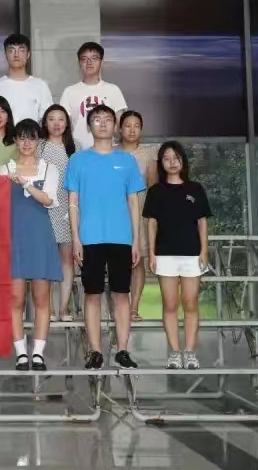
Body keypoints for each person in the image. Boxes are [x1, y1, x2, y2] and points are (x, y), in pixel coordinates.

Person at [66, 104, 145, 370]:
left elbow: (133, 202)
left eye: (108, 119)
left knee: (122, 294)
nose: (102, 123)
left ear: (115, 126)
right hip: (90, 238)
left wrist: (136, 240)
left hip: (121, 238)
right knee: (92, 294)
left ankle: (122, 350)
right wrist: (76, 238)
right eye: (97, 119)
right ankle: (95, 351)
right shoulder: (78, 160)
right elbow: (73, 202)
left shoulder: (127, 160)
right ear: (89, 126)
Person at [0, 119, 62, 372]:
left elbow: (48, 200)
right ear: (15, 140)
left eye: (31, 138)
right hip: (13, 236)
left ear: (38, 141)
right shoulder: (5, 169)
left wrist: (25, 183)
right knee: (15, 297)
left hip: (39, 236)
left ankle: (38, 353)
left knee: (41, 297)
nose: (26, 143)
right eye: (22, 138)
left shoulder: (49, 169)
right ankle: (21, 353)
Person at [144, 141, 211, 371]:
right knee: (170, 304)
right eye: (167, 158)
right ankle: (174, 352)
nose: (172, 162)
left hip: (192, 255)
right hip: (165, 256)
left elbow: (202, 222)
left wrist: (204, 251)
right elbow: (151, 223)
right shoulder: (155, 192)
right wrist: (151, 254)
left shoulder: (195, 189)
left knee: (190, 303)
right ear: (161, 163)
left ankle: (190, 352)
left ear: (183, 160)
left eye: (176, 157)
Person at [38, 104, 78, 322]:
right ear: (45, 123)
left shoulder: (75, 147)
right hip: (43, 208)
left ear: (67, 123)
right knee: (46, 261)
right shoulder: (39, 146)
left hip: (68, 209)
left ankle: (63, 308)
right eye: (51, 119)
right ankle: (49, 309)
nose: (56, 123)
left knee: (67, 260)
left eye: (61, 119)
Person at [120, 111, 158, 323]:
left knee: (137, 262)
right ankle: (120, 307)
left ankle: (134, 307)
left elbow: (153, 187)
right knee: (117, 262)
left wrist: (152, 217)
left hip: (141, 210)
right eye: (128, 125)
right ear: (120, 129)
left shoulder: (149, 154)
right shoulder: (111, 152)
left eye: (136, 126)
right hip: (116, 211)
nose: (132, 130)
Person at [59, 42, 128, 150]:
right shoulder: (69, 92)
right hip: (77, 151)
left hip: (107, 150)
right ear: (79, 63)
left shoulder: (113, 90)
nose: (89, 62)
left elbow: (121, 126)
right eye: (84, 59)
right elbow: (62, 126)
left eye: (94, 58)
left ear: (102, 62)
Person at [0, 34, 53, 126]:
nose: (16, 55)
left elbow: (47, 120)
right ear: (5, 55)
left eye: (21, 50)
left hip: (31, 135)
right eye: (11, 50)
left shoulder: (40, 85)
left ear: (28, 54)